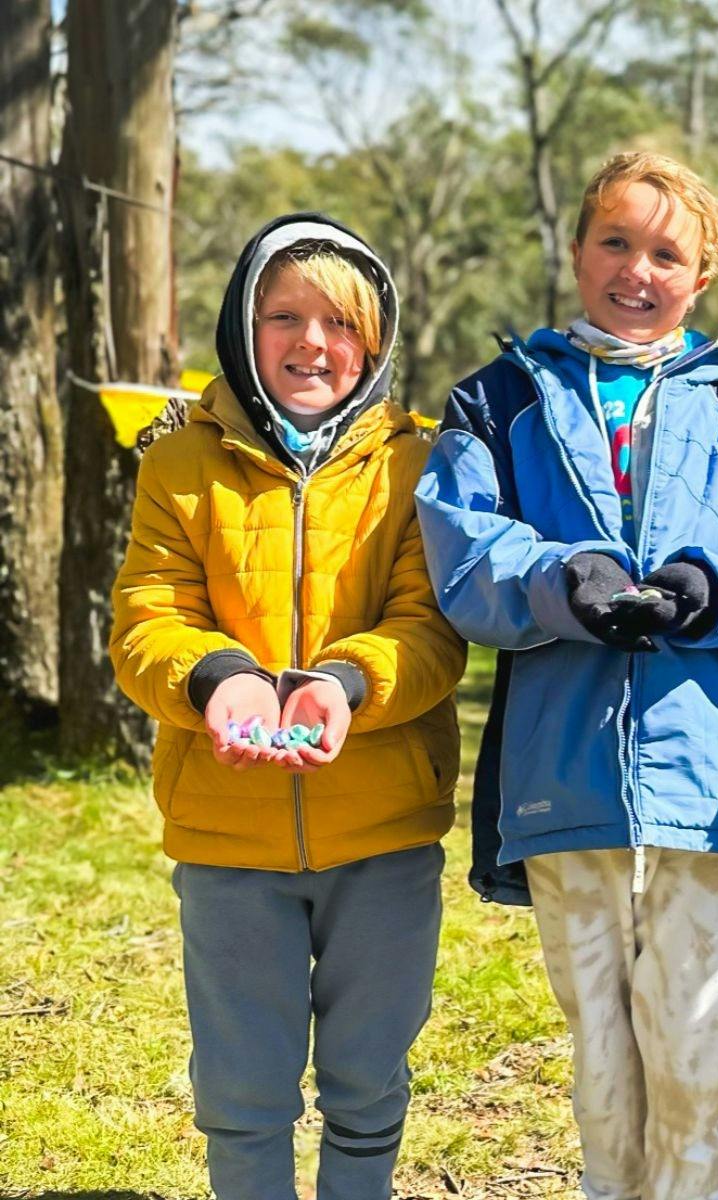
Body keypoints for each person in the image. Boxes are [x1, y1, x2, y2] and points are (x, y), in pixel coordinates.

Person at [415, 151, 718, 1200]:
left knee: (701, 1079)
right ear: (575, 250)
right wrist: (567, 578)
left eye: (667, 253)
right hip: (565, 791)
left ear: (702, 278)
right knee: (604, 1079)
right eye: (615, 241)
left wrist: (714, 586)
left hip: (713, 800)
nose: (636, 270)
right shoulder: (495, 399)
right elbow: (462, 554)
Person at [110, 213, 467, 1198]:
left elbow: (432, 631)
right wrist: (216, 680)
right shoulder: (179, 464)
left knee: (367, 1084)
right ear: (241, 326)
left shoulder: (421, 464)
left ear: (379, 339)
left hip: (385, 835)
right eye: (284, 316)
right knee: (242, 1090)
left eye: (341, 322)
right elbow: (147, 622)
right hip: (227, 844)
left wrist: (346, 684)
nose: (314, 342)